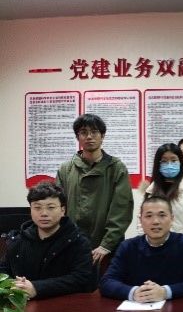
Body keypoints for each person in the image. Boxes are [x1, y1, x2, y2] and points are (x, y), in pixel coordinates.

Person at [56, 113, 134, 266]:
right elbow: (58, 208)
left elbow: (122, 210)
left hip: (107, 248)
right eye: (84, 132)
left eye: (94, 132)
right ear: (78, 137)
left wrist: (107, 244)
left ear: (102, 136)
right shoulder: (66, 169)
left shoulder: (116, 168)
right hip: (72, 246)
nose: (89, 136)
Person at [100, 196, 183, 301]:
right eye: (149, 216)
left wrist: (165, 292)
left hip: (177, 308)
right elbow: (107, 282)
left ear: (172, 219)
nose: (155, 221)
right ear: (140, 220)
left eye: (162, 215)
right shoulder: (127, 247)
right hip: (137, 309)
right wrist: (134, 292)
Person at [0, 181, 95, 299]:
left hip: (65, 305)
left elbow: (81, 278)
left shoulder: (78, 241)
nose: (44, 213)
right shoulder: (19, 240)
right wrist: (14, 285)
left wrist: (37, 288)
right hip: (23, 305)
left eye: (51, 207)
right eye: (37, 208)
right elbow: (3, 270)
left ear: (63, 210)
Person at [141, 143, 183, 239]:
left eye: (173, 160)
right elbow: (141, 224)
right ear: (158, 164)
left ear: (181, 163)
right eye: (164, 161)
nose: (169, 165)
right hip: (153, 246)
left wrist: (180, 245)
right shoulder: (149, 191)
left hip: (182, 246)